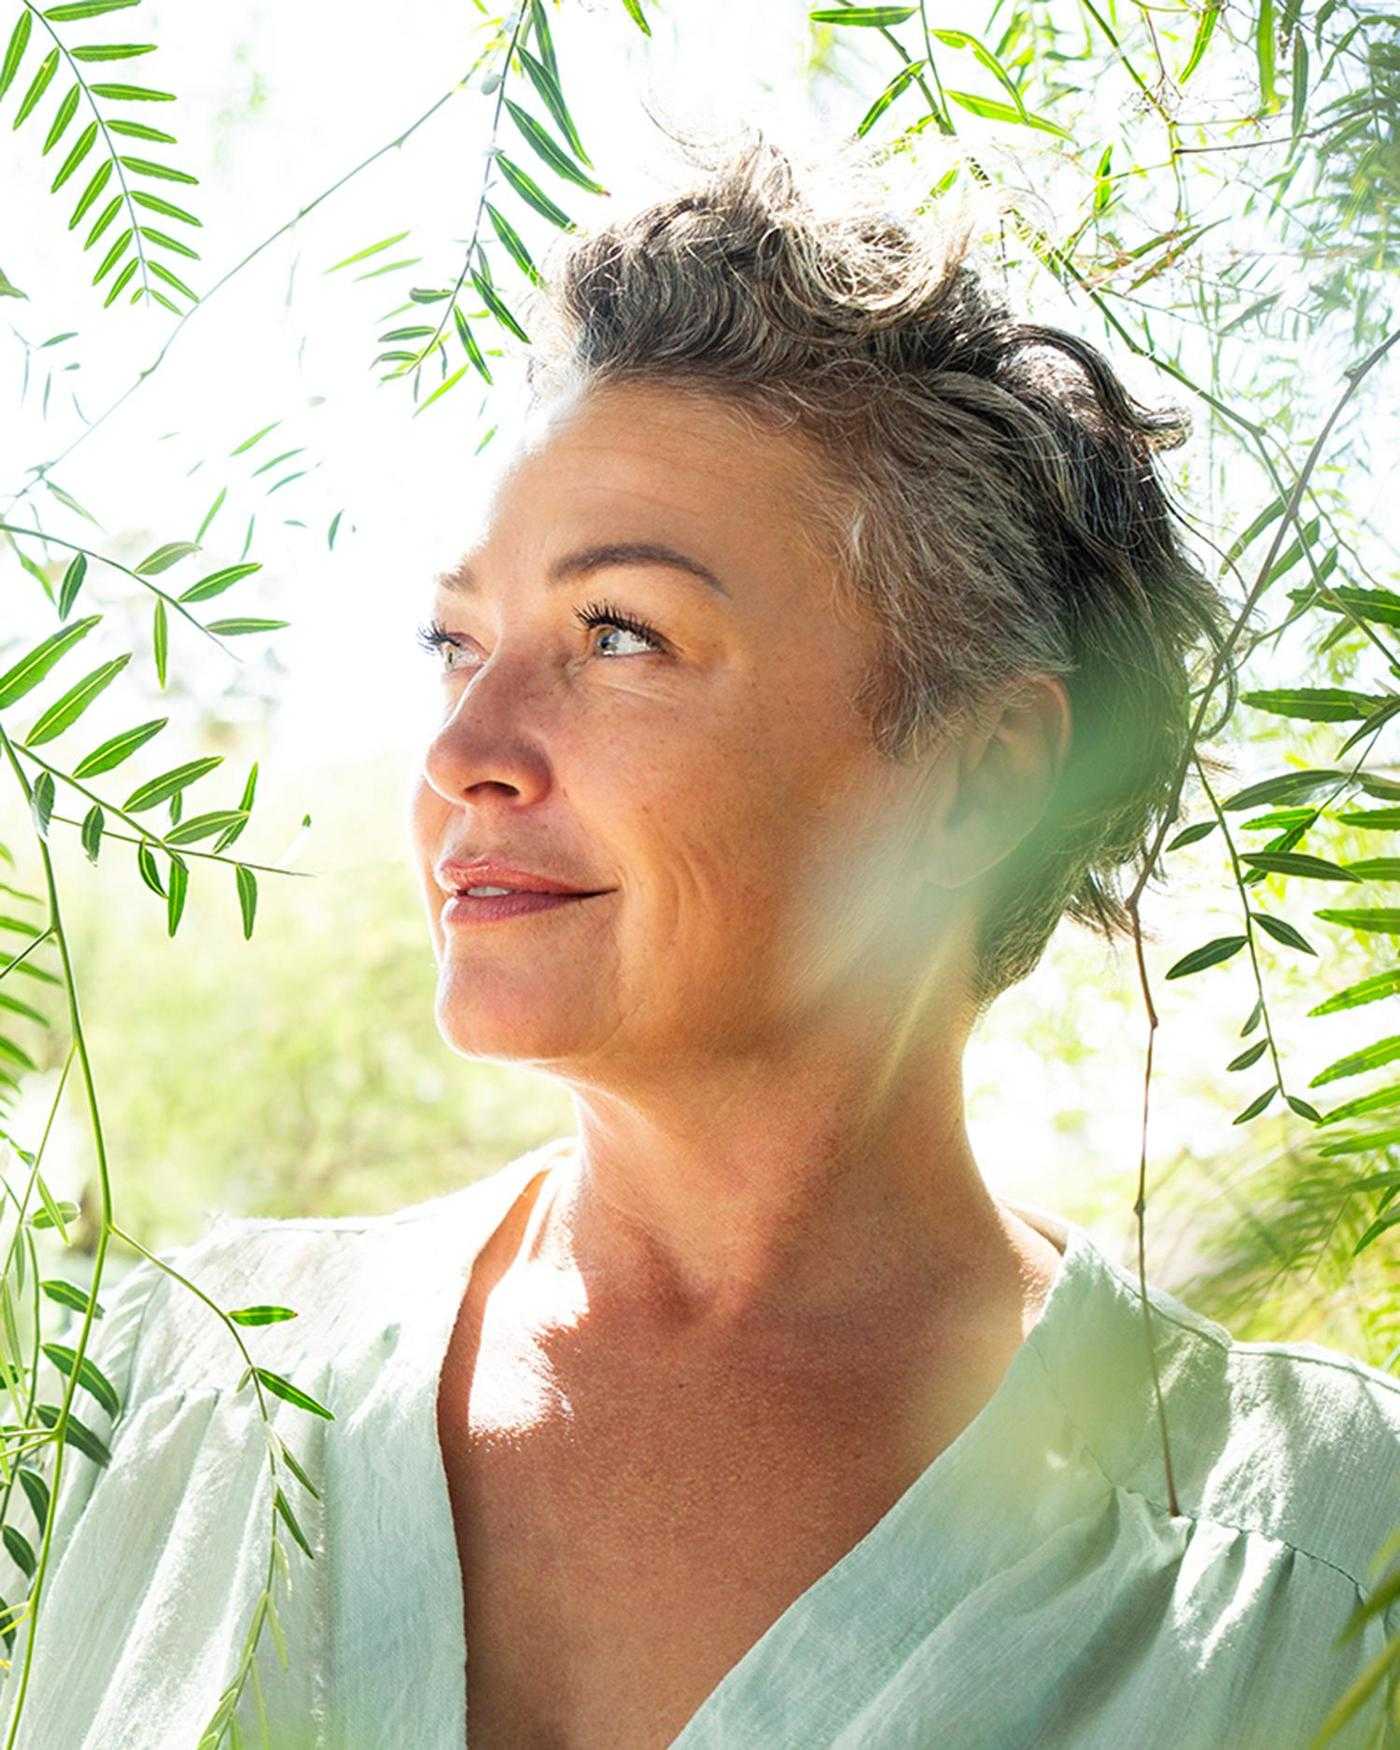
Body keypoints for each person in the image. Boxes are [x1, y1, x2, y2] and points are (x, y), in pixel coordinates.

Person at [2, 133, 1396, 1750]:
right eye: (457, 641)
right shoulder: (171, 1388)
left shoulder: (1324, 1560)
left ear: (983, 771)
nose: (467, 747)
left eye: (619, 634)